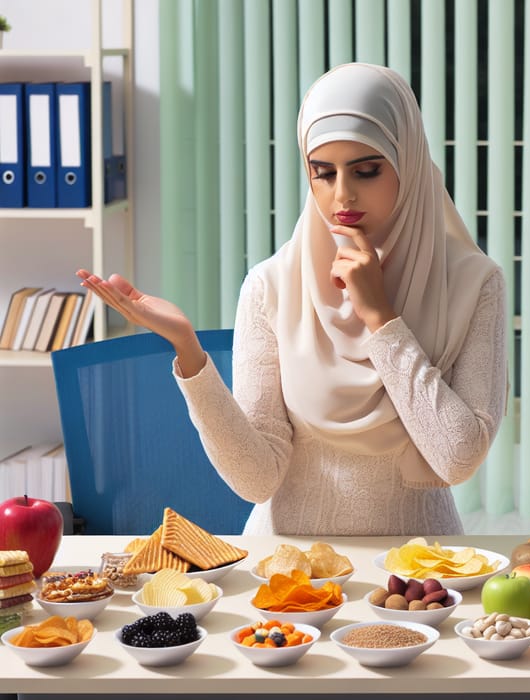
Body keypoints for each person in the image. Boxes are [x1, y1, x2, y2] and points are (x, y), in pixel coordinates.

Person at [77, 62, 507, 536]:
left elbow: (457, 458)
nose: (342, 195)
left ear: (407, 160)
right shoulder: (271, 285)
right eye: (323, 173)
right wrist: (189, 351)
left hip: (423, 572)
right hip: (285, 573)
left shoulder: (474, 283)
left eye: (366, 170)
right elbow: (257, 478)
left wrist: (381, 319)